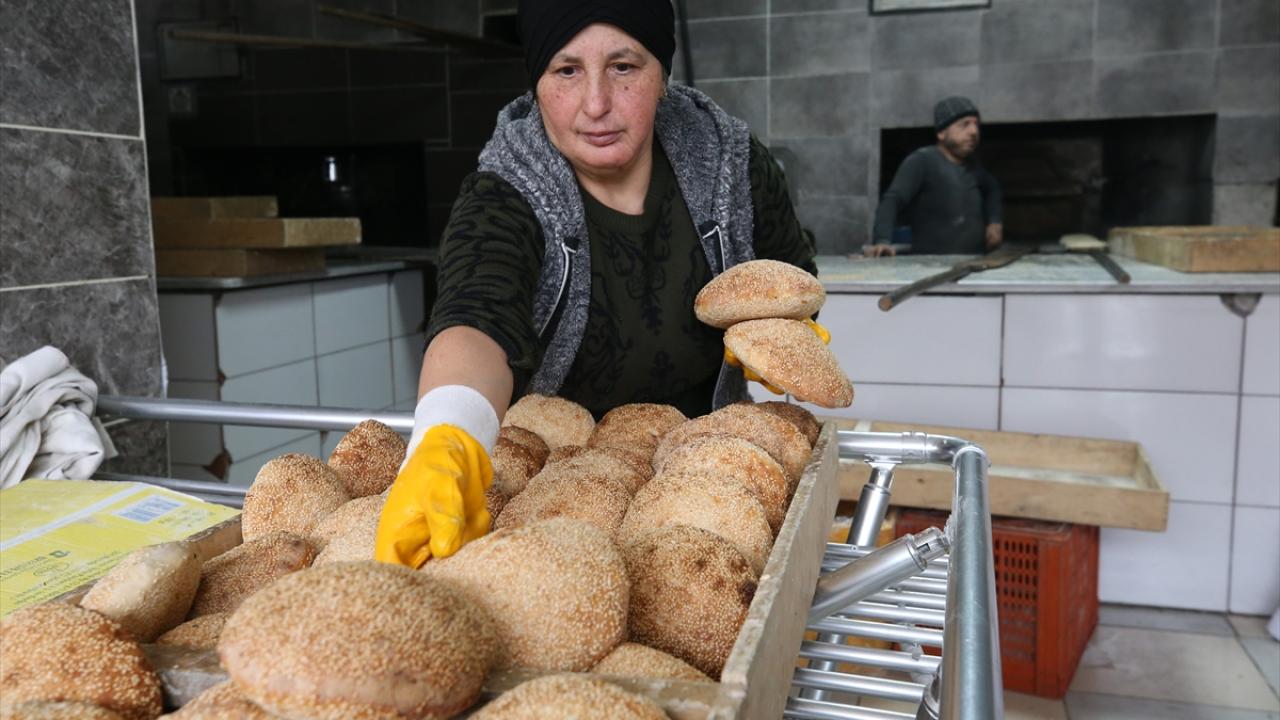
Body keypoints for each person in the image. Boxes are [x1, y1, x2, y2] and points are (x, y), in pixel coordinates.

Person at [374, 0, 819, 568]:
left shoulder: (731, 164)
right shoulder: (505, 191)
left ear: (662, 75)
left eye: (624, 66)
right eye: (566, 70)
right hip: (553, 502)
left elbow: (791, 273)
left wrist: (787, 330)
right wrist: (448, 438)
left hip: (709, 489)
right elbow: (475, 316)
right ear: (536, 84)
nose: (596, 104)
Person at [866, 97, 1003, 257]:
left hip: (971, 264)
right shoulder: (923, 160)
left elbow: (992, 188)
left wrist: (995, 221)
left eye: (976, 124)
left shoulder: (974, 167)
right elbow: (893, 200)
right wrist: (882, 241)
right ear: (942, 133)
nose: (974, 132)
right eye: (964, 124)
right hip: (930, 266)